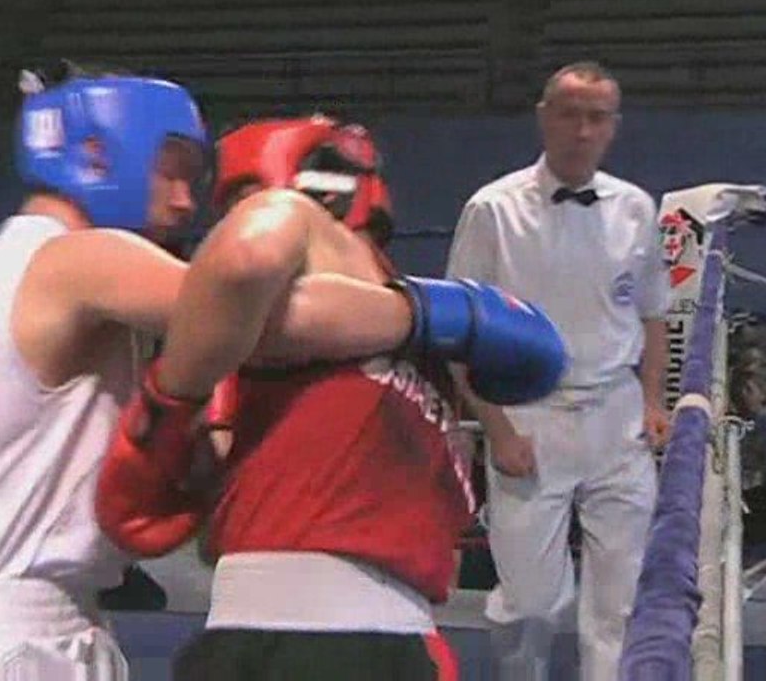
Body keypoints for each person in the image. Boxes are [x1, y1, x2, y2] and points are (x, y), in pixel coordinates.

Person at [0, 64, 426, 681]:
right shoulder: (76, 257)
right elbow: (258, 317)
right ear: (98, 154)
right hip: (15, 641)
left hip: (6, 627)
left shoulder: (1, 269)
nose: (183, 201)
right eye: (169, 171)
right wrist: (435, 313)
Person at [96, 115, 568, 680]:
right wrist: (172, 401)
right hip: (307, 638)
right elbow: (245, 257)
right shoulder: (300, 231)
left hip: (388, 634)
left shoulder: (413, 331)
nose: (232, 218)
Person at [446, 61, 671, 681]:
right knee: (530, 603)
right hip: (526, 414)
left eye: (596, 117)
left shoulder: (635, 207)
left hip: (616, 414)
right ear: (544, 118)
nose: (582, 130)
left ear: (613, 126)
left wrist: (653, 401)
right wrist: (497, 429)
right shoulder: (492, 208)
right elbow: (460, 330)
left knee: (620, 601)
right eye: (570, 114)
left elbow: (654, 314)